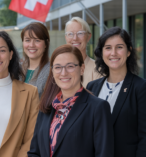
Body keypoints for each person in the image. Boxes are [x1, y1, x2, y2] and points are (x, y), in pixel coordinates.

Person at [28, 44, 114, 157]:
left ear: (82, 69)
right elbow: (34, 152)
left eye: (70, 66)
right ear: (52, 72)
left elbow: (104, 154)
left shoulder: (98, 108)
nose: (63, 73)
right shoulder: (46, 107)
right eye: (58, 67)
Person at [87, 27, 146, 157]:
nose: (113, 53)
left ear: (129, 51)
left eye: (119, 47)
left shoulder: (141, 88)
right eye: (108, 48)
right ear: (102, 53)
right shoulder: (92, 87)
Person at [65, 17, 102, 87]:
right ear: (66, 38)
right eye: (70, 34)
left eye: (80, 33)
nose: (75, 38)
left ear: (88, 37)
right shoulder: (59, 69)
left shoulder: (98, 70)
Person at [21, 22, 50, 97]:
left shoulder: (52, 71)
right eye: (27, 40)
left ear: (46, 44)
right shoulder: (17, 70)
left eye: (37, 40)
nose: (31, 45)